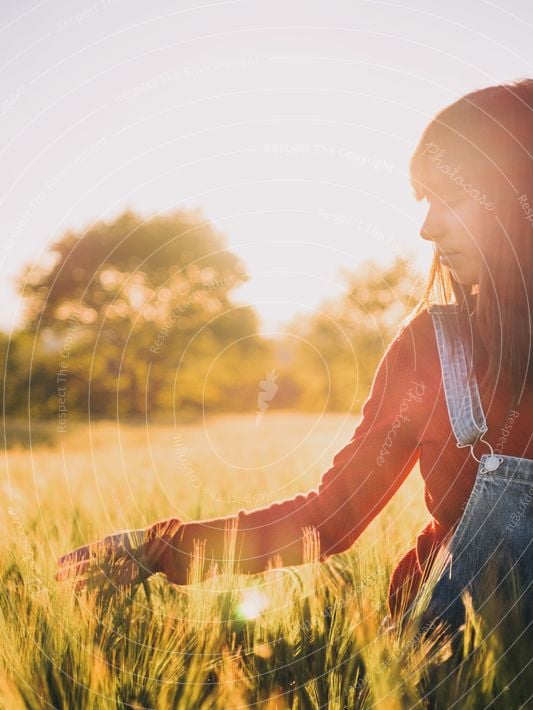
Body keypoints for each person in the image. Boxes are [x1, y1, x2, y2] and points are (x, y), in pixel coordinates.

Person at [56, 79, 533, 632]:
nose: (427, 228)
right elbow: (331, 518)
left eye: (452, 197)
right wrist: (160, 548)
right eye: (425, 200)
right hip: (446, 662)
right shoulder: (430, 352)